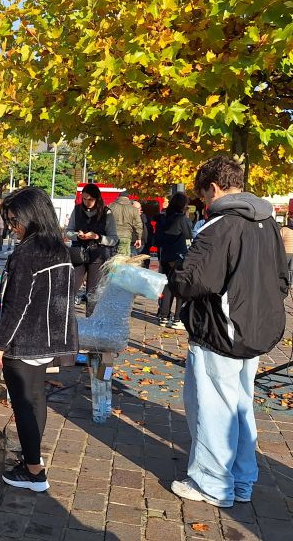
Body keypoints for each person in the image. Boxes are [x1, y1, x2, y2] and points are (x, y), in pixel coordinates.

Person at [168, 156, 289, 508]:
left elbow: (192, 280)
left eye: (204, 195)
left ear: (215, 187)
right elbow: (283, 278)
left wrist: (173, 277)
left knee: (213, 407)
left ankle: (212, 483)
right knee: (239, 405)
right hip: (254, 328)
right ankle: (241, 480)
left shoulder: (220, 224)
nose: (203, 203)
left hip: (221, 331)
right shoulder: (266, 221)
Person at [0, 187, 78, 491]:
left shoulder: (27, 253)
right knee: (36, 397)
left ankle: (33, 471)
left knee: (24, 404)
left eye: (15, 221)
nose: (13, 228)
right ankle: (32, 456)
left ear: (31, 216)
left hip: (24, 338)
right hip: (48, 340)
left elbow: (16, 304)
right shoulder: (59, 248)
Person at [66, 183, 119, 316]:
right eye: (84, 199)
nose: (87, 202)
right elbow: (68, 232)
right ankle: (65, 317)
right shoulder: (77, 210)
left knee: (92, 291)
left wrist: (98, 237)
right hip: (79, 254)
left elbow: (114, 239)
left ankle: (90, 319)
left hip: (97, 255)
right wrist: (77, 236)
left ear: (97, 198)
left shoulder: (106, 212)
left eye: (90, 199)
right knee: (71, 287)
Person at [155, 193, 193, 329]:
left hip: (164, 254)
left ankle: (163, 316)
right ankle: (177, 318)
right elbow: (189, 234)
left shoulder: (163, 216)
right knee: (180, 286)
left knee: (166, 286)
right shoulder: (181, 218)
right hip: (178, 255)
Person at [109, 191, 143, 256]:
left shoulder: (110, 206)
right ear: (128, 198)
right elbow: (138, 225)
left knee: (111, 258)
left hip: (112, 236)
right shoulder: (133, 209)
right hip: (126, 236)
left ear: (118, 197)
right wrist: (139, 238)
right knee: (123, 259)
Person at [281, 216, 293, 283]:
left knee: (286, 268)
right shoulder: (284, 229)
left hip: (286, 251)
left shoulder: (283, 229)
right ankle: (291, 283)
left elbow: (279, 240)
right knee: (291, 268)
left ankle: (287, 282)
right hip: (288, 251)